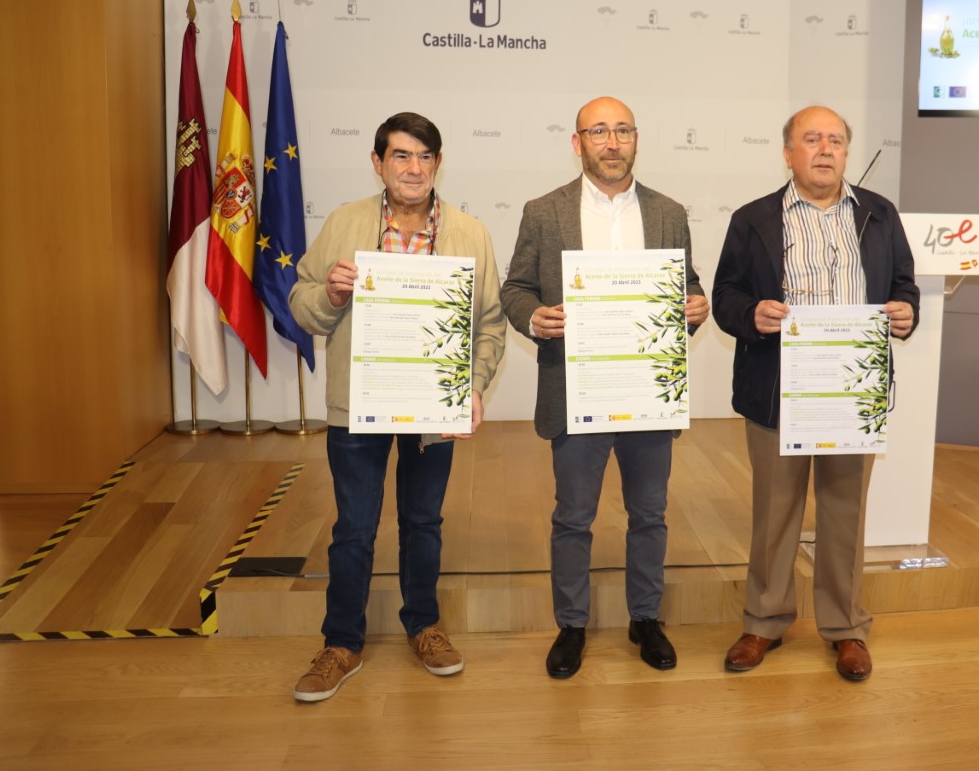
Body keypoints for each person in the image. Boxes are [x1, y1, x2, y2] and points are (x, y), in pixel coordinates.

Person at [288, 112, 506, 702]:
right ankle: (341, 643)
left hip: (433, 404)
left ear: (439, 163)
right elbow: (302, 302)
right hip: (358, 404)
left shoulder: (470, 233)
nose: (414, 168)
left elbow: (490, 324)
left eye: (425, 156)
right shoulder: (344, 223)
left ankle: (424, 626)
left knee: (423, 522)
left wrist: (472, 386)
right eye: (401, 156)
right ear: (378, 163)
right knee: (354, 529)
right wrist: (331, 294)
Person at [501, 96, 709, 679]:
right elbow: (515, 288)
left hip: (648, 390)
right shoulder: (544, 212)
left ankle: (646, 619)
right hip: (577, 390)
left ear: (636, 139)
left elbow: (688, 284)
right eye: (598, 131)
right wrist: (533, 317)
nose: (611, 142)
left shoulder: (668, 212)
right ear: (578, 143)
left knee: (650, 514)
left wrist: (695, 306)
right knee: (573, 517)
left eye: (622, 130)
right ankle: (572, 624)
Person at [711, 105, 918, 681]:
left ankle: (846, 628)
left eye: (836, 140)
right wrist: (751, 314)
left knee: (845, 514)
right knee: (774, 513)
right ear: (788, 153)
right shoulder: (753, 218)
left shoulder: (879, 213)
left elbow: (903, 284)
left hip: (852, 389)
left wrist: (907, 311)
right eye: (812, 139)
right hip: (779, 389)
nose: (825, 149)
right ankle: (764, 621)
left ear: (847, 153)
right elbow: (725, 295)